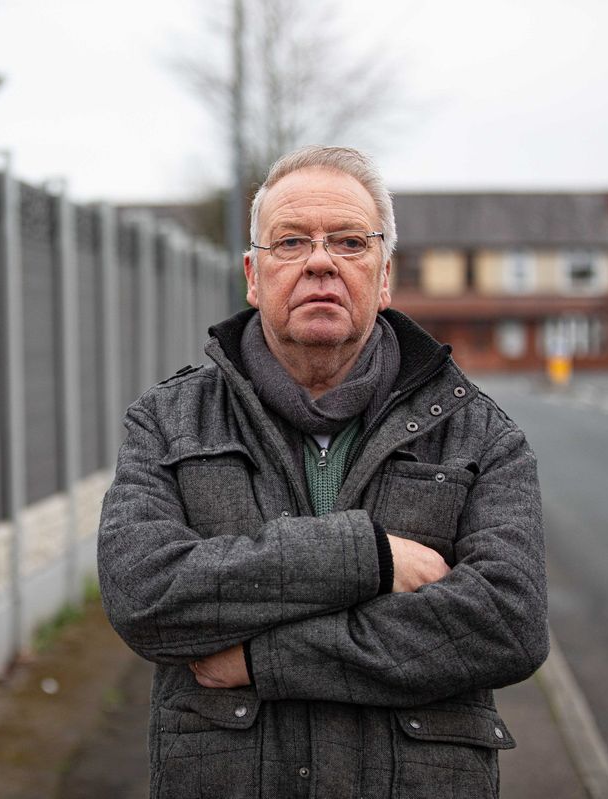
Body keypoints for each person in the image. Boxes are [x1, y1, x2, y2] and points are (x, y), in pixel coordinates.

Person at [97, 145, 548, 799]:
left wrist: (261, 658)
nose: (319, 261)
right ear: (254, 275)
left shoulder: (481, 434)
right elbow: (143, 594)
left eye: (348, 241)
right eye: (291, 242)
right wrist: (368, 559)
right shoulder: (168, 423)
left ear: (383, 275)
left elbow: (507, 621)